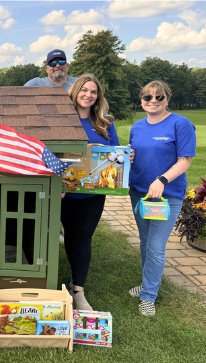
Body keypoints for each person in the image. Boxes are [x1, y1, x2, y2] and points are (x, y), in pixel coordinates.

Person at [127, 81, 196, 316]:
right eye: (148, 97)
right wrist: (129, 155)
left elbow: (185, 160)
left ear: (168, 99)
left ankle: (148, 297)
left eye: (159, 97)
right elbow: (136, 155)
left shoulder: (180, 123)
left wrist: (162, 180)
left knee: (156, 247)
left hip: (167, 197)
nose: (153, 101)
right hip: (139, 194)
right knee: (145, 242)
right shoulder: (136, 127)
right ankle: (147, 284)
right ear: (141, 100)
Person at [62, 73, 120, 311]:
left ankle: (79, 291)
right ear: (76, 91)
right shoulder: (63, 120)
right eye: (84, 90)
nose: (88, 95)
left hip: (94, 194)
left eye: (93, 92)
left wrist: (126, 156)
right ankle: (75, 276)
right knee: (71, 235)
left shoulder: (105, 122)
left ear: (98, 96)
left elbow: (116, 154)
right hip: (66, 194)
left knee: (84, 236)